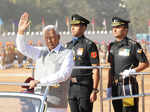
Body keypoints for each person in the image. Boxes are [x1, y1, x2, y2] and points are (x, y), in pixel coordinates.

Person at [16, 12, 74, 112]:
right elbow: (23, 48)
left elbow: (64, 74)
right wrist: (20, 32)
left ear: (58, 37)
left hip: (56, 104)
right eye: (46, 38)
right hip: (38, 102)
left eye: (51, 37)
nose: (49, 41)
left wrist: (40, 81)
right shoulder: (40, 52)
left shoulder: (67, 53)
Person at [107, 17, 149, 112]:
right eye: (113, 27)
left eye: (118, 27)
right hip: (115, 86)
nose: (114, 29)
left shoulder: (133, 45)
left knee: (129, 110)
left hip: (127, 86)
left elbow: (145, 63)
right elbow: (111, 67)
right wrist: (109, 86)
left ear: (125, 29)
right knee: (117, 109)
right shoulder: (111, 46)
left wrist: (132, 71)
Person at [66, 14, 100, 112]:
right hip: (71, 87)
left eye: (76, 25)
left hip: (84, 86)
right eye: (72, 25)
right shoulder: (68, 46)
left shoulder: (89, 45)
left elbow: (96, 69)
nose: (72, 27)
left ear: (84, 27)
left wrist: (94, 90)